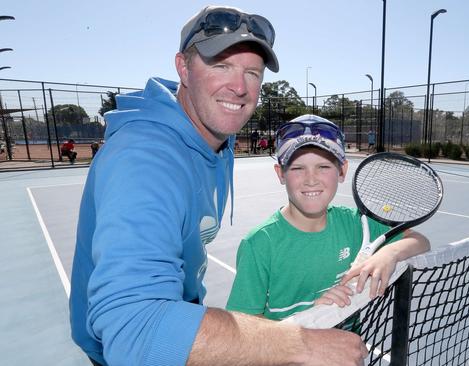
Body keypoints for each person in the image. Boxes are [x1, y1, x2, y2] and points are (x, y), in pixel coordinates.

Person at [69, 6, 366, 366]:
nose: (239, 87)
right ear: (183, 68)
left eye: (252, 73)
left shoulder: (211, 139)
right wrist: (303, 343)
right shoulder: (145, 160)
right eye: (220, 65)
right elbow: (135, 330)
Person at [226, 115, 430, 326]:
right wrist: (311, 318)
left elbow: (419, 240)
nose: (311, 179)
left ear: (342, 171)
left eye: (323, 167)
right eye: (297, 168)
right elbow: (242, 329)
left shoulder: (354, 224)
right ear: (281, 174)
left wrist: (389, 253)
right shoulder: (259, 244)